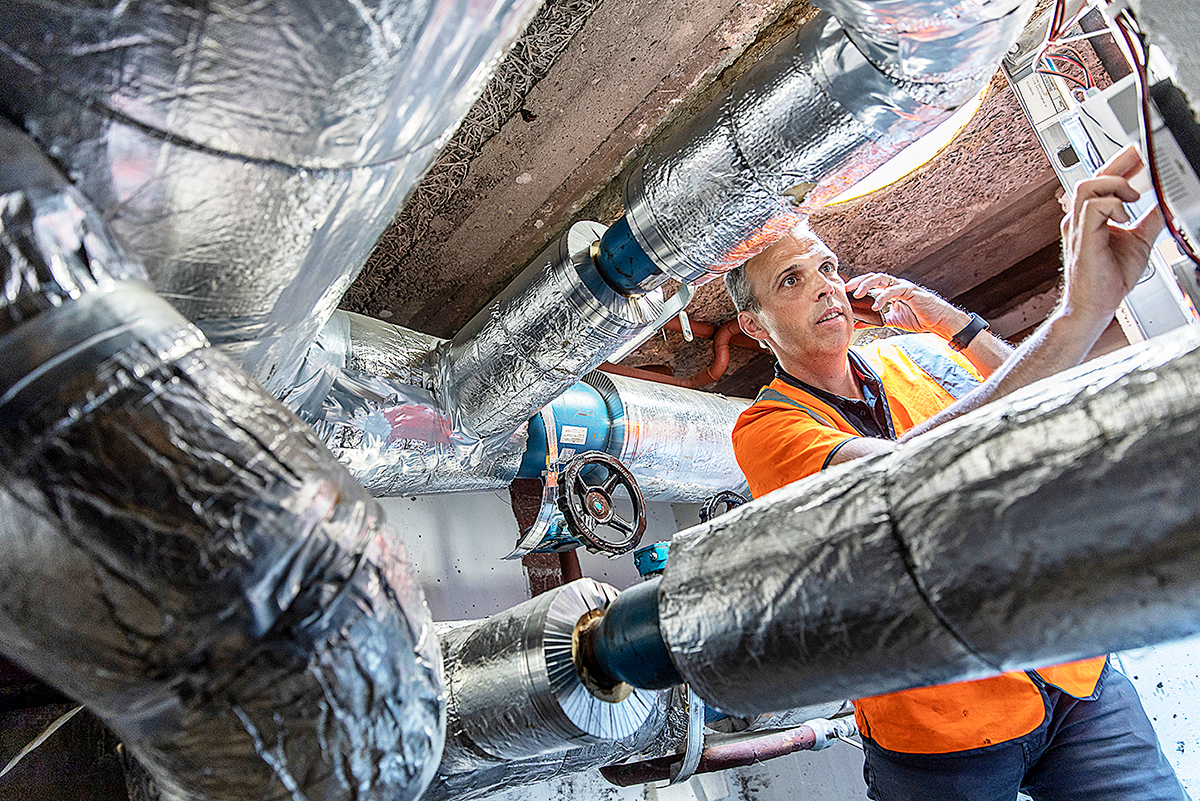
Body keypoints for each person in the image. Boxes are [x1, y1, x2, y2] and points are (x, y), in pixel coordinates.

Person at [725, 145, 1189, 801]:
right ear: (754, 325)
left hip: (1069, 665)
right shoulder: (766, 429)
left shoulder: (911, 357)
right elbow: (897, 480)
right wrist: (1075, 316)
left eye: (826, 265)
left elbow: (1027, 403)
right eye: (791, 280)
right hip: (941, 726)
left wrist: (952, 321)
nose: (826, 283)